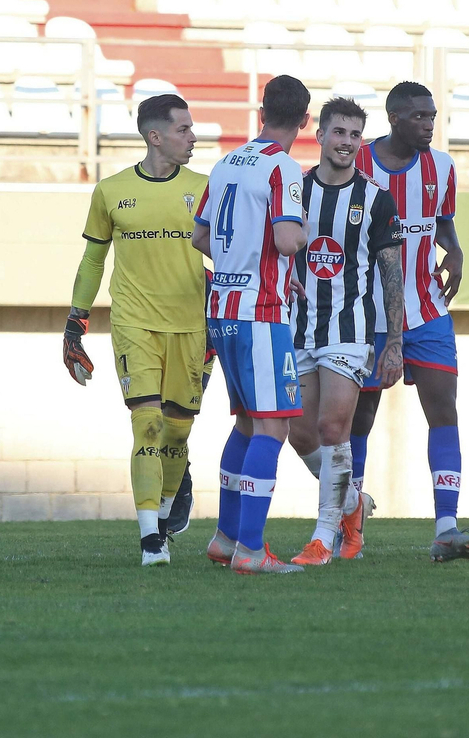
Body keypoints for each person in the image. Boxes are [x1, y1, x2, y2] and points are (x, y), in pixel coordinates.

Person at [62, 94, 209, 566]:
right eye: (184, 130)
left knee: (177, 435)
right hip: (134, 324)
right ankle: (150, 540)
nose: (193, 137)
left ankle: (165, 516)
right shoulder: (110, 191)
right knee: (147, 423)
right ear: (156, 136)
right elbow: (92, 259)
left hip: (191, 326)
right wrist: (75, 323)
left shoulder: (206, 188)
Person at [352, 82, 469, 562]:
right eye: (419, 117)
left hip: (428, 310)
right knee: (359, 416)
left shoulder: (442, 167)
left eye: (433, 116)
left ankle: (446, 527)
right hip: (367, 313)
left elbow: (442, 222)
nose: (429, 124)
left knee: (443, 410)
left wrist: (457, 249)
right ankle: (351, 524)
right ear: (394, 118)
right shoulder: (359, 164)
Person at [192, 75, 311, 575]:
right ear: (306, 121)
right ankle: (252, 552)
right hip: (260, 314)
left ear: (261, 112)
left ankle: (225, 538)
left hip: (222, 307)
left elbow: (201, 236)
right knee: (274, 426)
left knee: (245, 422)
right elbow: (286, 241)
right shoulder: (284, 169)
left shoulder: (225, 162)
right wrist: (301, 238)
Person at [286, 96, 404, 565]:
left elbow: (391, 272)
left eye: (356, 135)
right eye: (340, 132)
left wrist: (393, 340)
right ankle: (354, 506)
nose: (348, 143)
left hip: (349, 329)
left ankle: (323, 538)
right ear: (319, 135)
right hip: (296, 327)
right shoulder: (293, 190)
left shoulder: (375, 199)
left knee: (334, 427)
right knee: (300, 434)